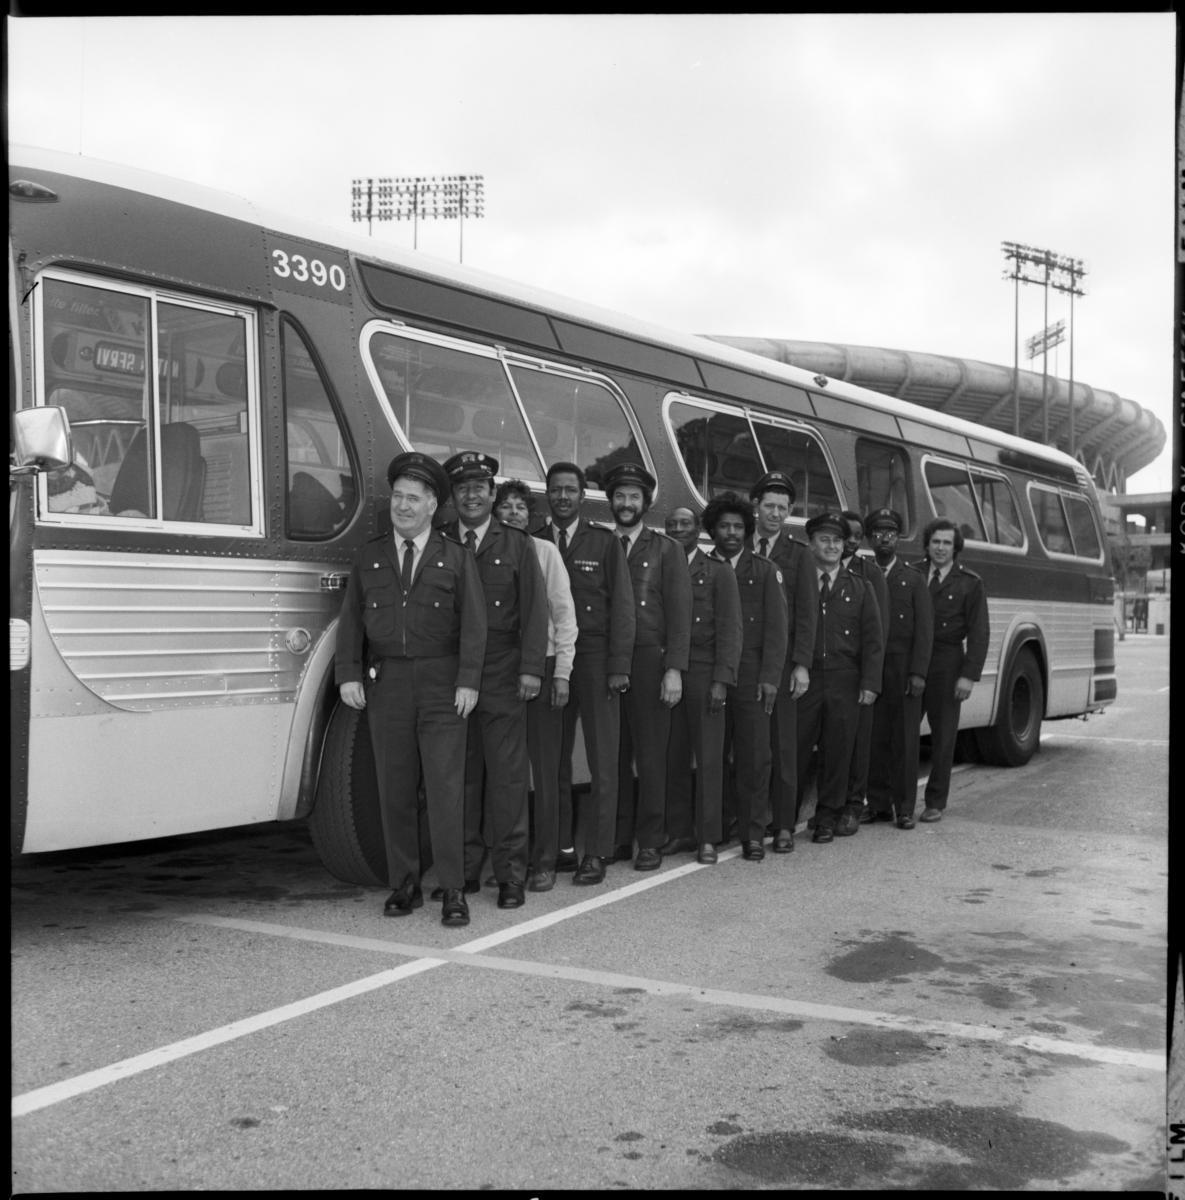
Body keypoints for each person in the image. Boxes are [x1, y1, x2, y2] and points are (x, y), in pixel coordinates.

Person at [335, 452, 486, 926]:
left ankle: (453, 888)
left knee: (445, 790)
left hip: (443, 685)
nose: (403, 505)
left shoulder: (456, 558)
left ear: (432, 506)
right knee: (394, 788)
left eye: (413, 498)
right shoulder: (370, 555)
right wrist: (348, 673)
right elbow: (352, 620)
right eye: (398, 496)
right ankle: (404, 882)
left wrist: (468, 681)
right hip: (390, 685)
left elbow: (475, 627)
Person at [439, 451, 548, 911]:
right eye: (462, 487)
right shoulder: (440, 541)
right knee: (460, 777)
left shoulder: (518, 543)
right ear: (453, 495)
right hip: (451, 673)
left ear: (492, 493)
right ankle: (462, 872)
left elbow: (535, 611)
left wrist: (530, 669)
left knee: (505, 780)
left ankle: (510, 876)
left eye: (479, 487)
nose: (470, 495)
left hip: (503, 671)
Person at [537, 462, 636, 885]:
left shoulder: (604, 541)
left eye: (570, 490)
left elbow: (624, 608)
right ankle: (560, 848)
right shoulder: (533, 542)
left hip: (595, 660)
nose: (563, 497)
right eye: (556, 490)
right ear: (548, 495)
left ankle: (597, 851)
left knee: (602, 759)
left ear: (583, 496)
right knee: (552, 759)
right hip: (550, 659)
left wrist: (618, 666)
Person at [604, 463, 692, 870]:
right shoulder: (601, 544)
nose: (626, 503)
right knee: (613, 754)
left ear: (645, 503)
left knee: (651, 755)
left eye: (633, 497)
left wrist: (673, 668)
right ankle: (619, 839)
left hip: (649, 661)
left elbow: (679, 613)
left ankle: (651, 840)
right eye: (620, 497)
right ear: (611, 502)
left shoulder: (667, 550)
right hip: (606, 660)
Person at [493, 478, 578, 893]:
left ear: (532, 515)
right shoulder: (484, 552)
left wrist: (561, 672)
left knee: (545, 771)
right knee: (506, 772)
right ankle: (510, 859)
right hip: (499, 671)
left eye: (520, 507)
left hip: (542, 669)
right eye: (505, 506)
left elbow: (564, 616)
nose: (513, 513)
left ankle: (544, 861)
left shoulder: (545, 553)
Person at [705, 492, 788, 862]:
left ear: (747, 530)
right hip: (711, 675)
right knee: (713, 755)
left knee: (755, 756)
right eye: (724, 526)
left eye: (739, 526)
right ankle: (717, 827)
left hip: (753, 676)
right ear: (713, 530)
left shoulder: (765, 570)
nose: (732, 533)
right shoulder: (700, 568)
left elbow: (776, 629)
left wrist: (771, 678)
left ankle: (753, 833)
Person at [796, 511, 884, 843]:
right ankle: (786, 815)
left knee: (837, 750)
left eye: (837, 540)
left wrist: (870, 684)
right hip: (807, 678)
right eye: (824, 539)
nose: (832, 546)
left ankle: (828, 817)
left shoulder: (860, 588)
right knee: (798, 748)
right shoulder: (798, 582)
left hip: (845, 680)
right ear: (811, 543)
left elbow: (874, 641)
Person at [662, 506, 742, 864]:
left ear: (699, 531)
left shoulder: (718, 572)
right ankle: (679, 831)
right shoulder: (657, 564)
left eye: (686, 524)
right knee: (672, 756)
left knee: (709, 757)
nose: (679, 529)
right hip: (663, 672)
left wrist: (722, 681)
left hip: (703, 673)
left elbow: (730, 629)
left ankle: (708, 836)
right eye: (672, 525)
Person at [748, 471, 816, 852]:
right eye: (769, 506)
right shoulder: (740, 542)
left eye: (783, 508)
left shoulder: (798, 554)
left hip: (786, 663)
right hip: (745, 661)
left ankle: (785, 824)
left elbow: (808, 614)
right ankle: (749, 818)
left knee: (783, 747)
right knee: (748, 746)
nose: (775, 514)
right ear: (755, 507)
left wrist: (802, 665)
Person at [863, 508, 933, 829]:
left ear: (899, 538)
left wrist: (919, 673)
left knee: (904, 742)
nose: (884, 538)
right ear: (869, 538)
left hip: (904, 671)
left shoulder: (913, 578)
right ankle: (877, 805)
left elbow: (925, 631)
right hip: (872, 671)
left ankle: (904, 807)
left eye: (890, 532)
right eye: (878, 532)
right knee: (874, 739)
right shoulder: (861, 573)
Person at [918, 517, 989, 822]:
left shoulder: (970, 583)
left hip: (948, 664)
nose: (941, 548)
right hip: (914, 663)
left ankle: (935, 802)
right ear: (927, 544)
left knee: (944, 737)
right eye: (936, 542)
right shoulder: (913, 575)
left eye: (947, 543)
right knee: (905, 735)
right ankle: (902, 802)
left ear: (955, 547)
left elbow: (979, 632)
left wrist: (968, 675)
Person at [838, 510, 889, 823]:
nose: (853, 541)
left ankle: (854, 805)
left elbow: (878, 632)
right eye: (848, 535)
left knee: (858, 743)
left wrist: (870, 680)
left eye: (858, 536)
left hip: (858, 674)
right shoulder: (816, 565)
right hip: (830, 671)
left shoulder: (870, 573)